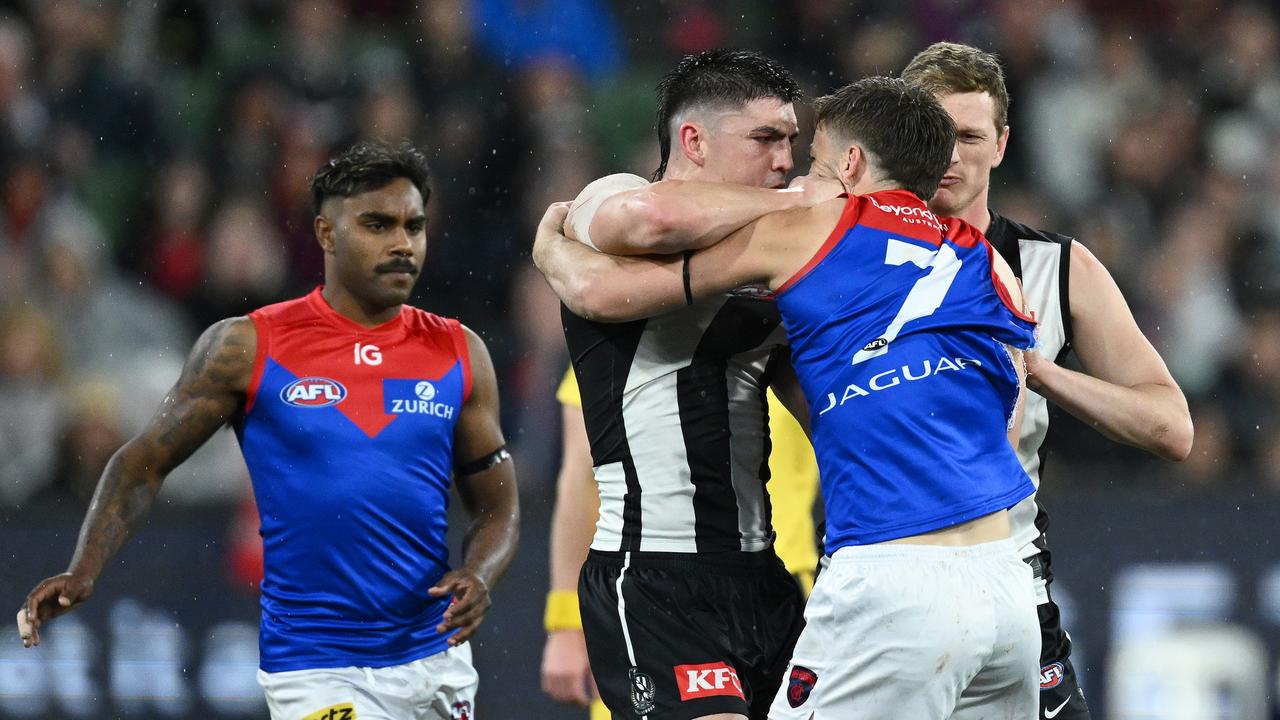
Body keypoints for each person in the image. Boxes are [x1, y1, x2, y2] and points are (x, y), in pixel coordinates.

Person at [536, 76, 1041, 718]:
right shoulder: (991, 263)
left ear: (850, 165)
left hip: (877, 572)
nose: (790, 167)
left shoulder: (809, 233)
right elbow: (1003, 421)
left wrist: (549, 250)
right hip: (1002, 580)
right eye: (770, 142)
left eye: (808, 155)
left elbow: (604, 293)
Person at [15, 141, 520, 720]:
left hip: (437, 659)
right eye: (378, 225)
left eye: (414, 226)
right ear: (327, 235)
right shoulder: (247, 347)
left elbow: (497, 503)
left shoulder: (459, 352)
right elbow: (141, 464)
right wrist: (84, 569)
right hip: (315, 666)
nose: (402, 243)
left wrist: (479, 574)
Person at [901, 42, 1195, 720]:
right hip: (881, 580)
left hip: (1010, 587)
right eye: (932, 133)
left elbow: (1171, 426)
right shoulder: (835, 257)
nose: (951, 154)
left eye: (970, 135)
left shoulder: (1057, 270)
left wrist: (1042, 373)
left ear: (1001, 145)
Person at [539, 49, 825, 720]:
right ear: (692, 140)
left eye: (792, 140)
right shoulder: (608, 198)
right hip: (656, 572)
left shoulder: (775, 246)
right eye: (766, 138)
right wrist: (800, 205)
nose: (786, 160)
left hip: (766, 573)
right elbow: (651, 220)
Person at [540, 369, 819, 720]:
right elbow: (582, 477)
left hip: (783, 597)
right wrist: (566, 622)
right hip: (656, 595)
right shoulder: (623, 326)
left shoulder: (793, 327)